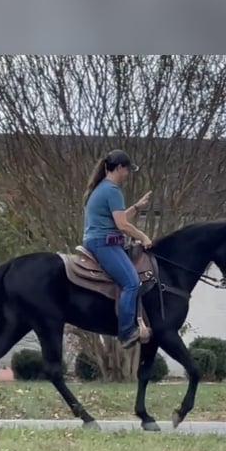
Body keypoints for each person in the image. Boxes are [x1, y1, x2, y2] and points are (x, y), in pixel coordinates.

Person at [82, 149, 153, 349]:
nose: (128, 174)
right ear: (120, 168)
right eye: (127, 170)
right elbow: (122, 226)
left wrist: (137, 207)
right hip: (104, 243)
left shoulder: (101, 189)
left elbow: (118, 218)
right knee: (131, 282)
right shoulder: (112, 191)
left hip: (96, 240)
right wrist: (143, 237)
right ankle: (126, 332)